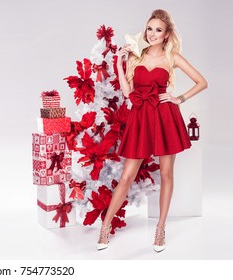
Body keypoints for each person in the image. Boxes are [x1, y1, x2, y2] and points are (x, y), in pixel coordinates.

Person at [96, 9, 208, 252]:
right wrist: (118, 62)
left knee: (167, 174)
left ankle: (160, 229)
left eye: (158, 30)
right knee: (126, 176)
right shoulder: (137, 55)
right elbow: (127, 92)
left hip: (165, 117)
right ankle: (104, 228)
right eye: (150, 28)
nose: (153, 33)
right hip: (140, 118)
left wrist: (179, 98)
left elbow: (202, 82)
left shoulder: (172, 57)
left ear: (167, 35)